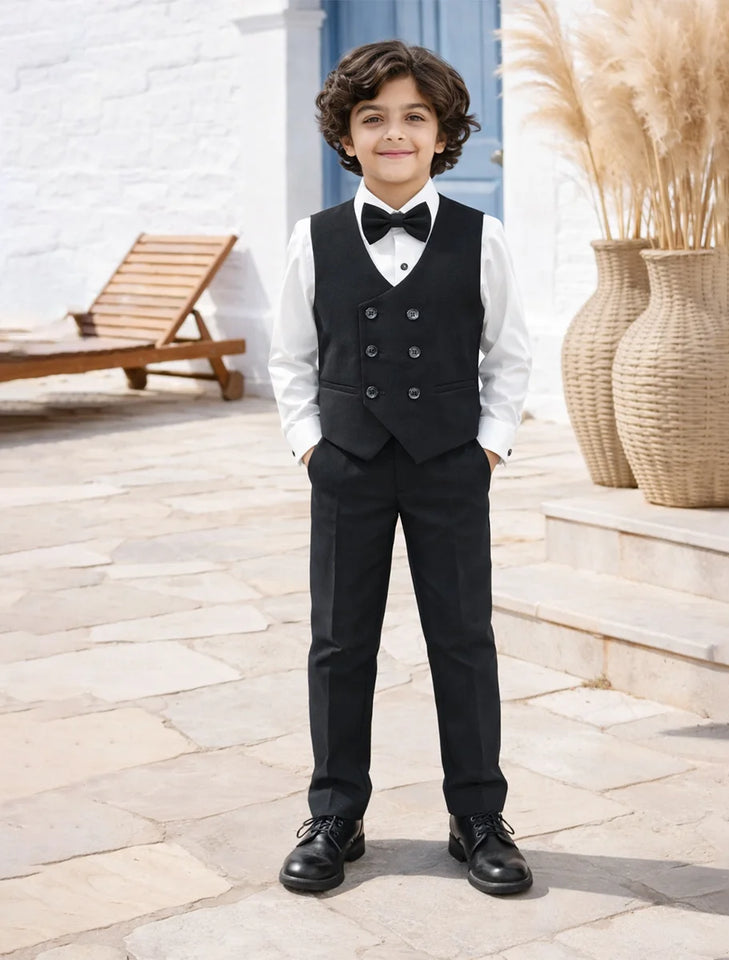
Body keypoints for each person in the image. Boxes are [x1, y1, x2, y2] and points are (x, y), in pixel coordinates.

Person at [268, 39, 532, 896]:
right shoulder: (312, 239)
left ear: (441, 135)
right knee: (340, 642)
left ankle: (478, 817)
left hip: (450, 463)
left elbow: (510, 356)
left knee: (463, 639)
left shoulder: (482, 236)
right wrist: (311, 446)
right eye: (373, 117)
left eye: (414, 117)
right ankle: (335, 815)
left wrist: (488, 448)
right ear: (346, 136)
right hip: (347, 463)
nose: (394, 133)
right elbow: (290, 358)